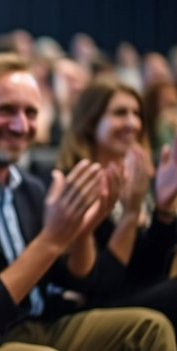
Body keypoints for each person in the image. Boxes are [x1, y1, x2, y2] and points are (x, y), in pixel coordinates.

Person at [0, 53, 177, 350]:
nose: (21, 125)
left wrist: (81, 232)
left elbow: (76, 281)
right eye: (6, 110)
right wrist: (53, 239)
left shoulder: (30, 187)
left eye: (31, 113)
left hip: (47, 322)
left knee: (150, 328)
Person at [56, 79, 177, 329]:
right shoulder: (75, 184)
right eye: (120, 113)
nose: (132, 123)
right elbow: (101, 286)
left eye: (136, 113)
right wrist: (131, 216)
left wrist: (164, 210)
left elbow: (149, 272)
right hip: (88, 311)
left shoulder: (136, 180)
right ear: (90, 123)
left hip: (132, 298)